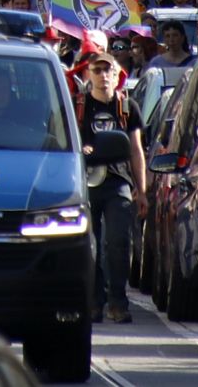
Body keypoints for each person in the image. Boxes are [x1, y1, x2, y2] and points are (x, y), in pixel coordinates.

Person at [77, 54, 144, 324]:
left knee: (118, 242)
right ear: (89, 74)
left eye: (109, 71)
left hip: (118, 182)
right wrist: (82, 149)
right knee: (88, 245)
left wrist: (142, 190)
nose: (103, 76)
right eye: (98, 70)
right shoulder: (78, 106)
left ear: (117, 76)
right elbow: (63, 142)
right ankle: (94, 300)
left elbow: (137, 150)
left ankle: (118, 301)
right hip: (87, 182)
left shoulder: (128, 107)